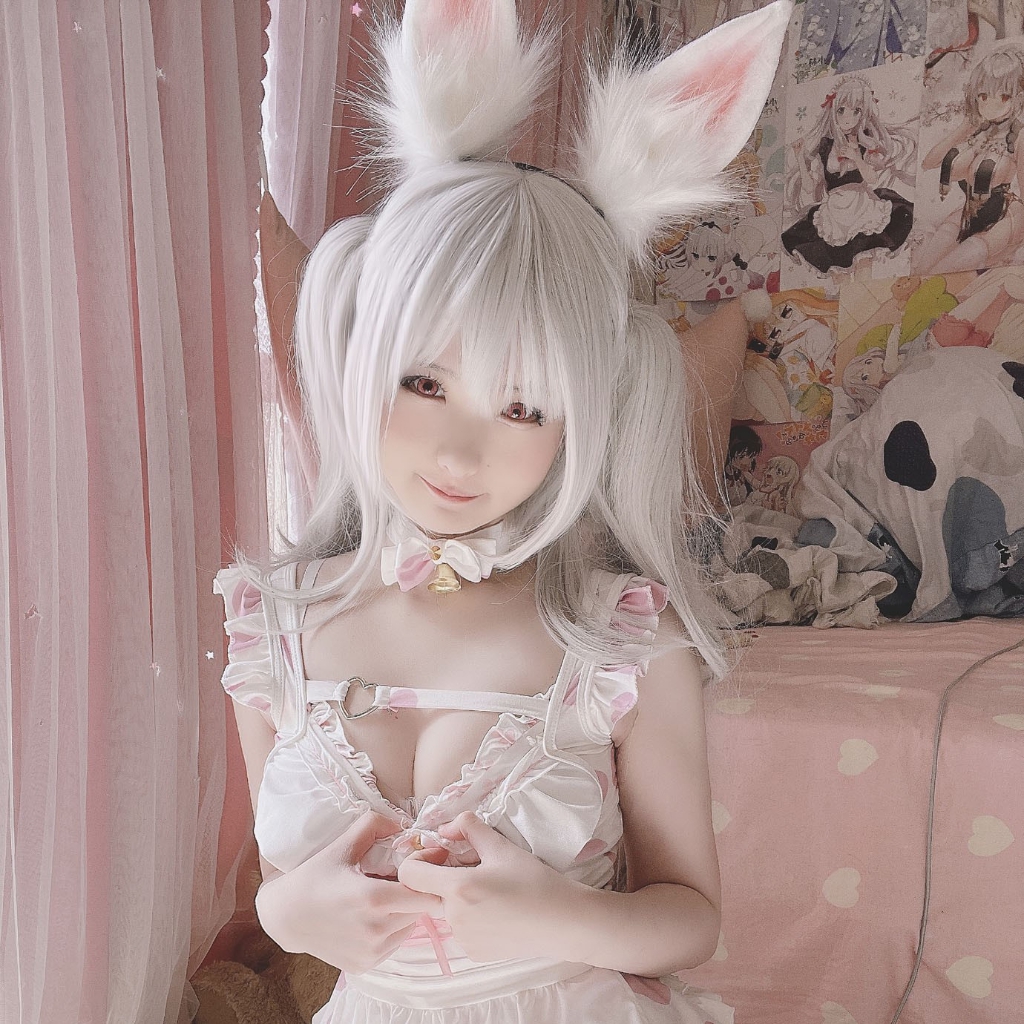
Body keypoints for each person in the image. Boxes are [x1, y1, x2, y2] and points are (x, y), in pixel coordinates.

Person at [214, 1, 790, 1021]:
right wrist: (288, 913)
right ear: (360, 356)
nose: (458, 452)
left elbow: (690, 917)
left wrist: (561, 917)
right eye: (423, 382)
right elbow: (278, 880)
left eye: (523, 406)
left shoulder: (623, 641)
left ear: (582, 422)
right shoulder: (276, 625)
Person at [783, 74, 916, 274]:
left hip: (862, 208)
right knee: (837, 269)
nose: (848, 118)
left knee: (864, 265)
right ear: (833, 111)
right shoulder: (825, 147)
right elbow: (810, 188)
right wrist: (800, 158)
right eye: (841, 110)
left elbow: (871, 178)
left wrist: (857, 158)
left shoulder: (865, 143)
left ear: (863, 114)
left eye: (856, 111)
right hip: (834, 214)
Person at [916, 46, 1024, 272]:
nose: (989, 104)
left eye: (1002, 96)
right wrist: (964, 128)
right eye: (983, 96)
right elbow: (928, 163)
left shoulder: (1020, 136)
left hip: (1005, 217)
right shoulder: (977, 131)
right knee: (922, 270)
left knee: (942, 270)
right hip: (967, 213)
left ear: (1018, 98)